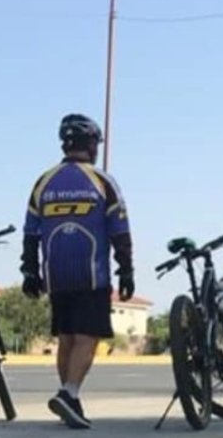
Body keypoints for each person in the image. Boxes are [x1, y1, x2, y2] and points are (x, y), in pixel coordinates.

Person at [20, 114, 134, 429]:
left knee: (67, 337)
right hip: (91, 271)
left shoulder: (44, 182)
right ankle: (69, 393)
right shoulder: (102, 181)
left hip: (55, 273)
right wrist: (127, 271)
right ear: (92, 145)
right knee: (89, 336)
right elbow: (120, 231)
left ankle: (70, 401)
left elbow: (30, 232)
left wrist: (30, 271)